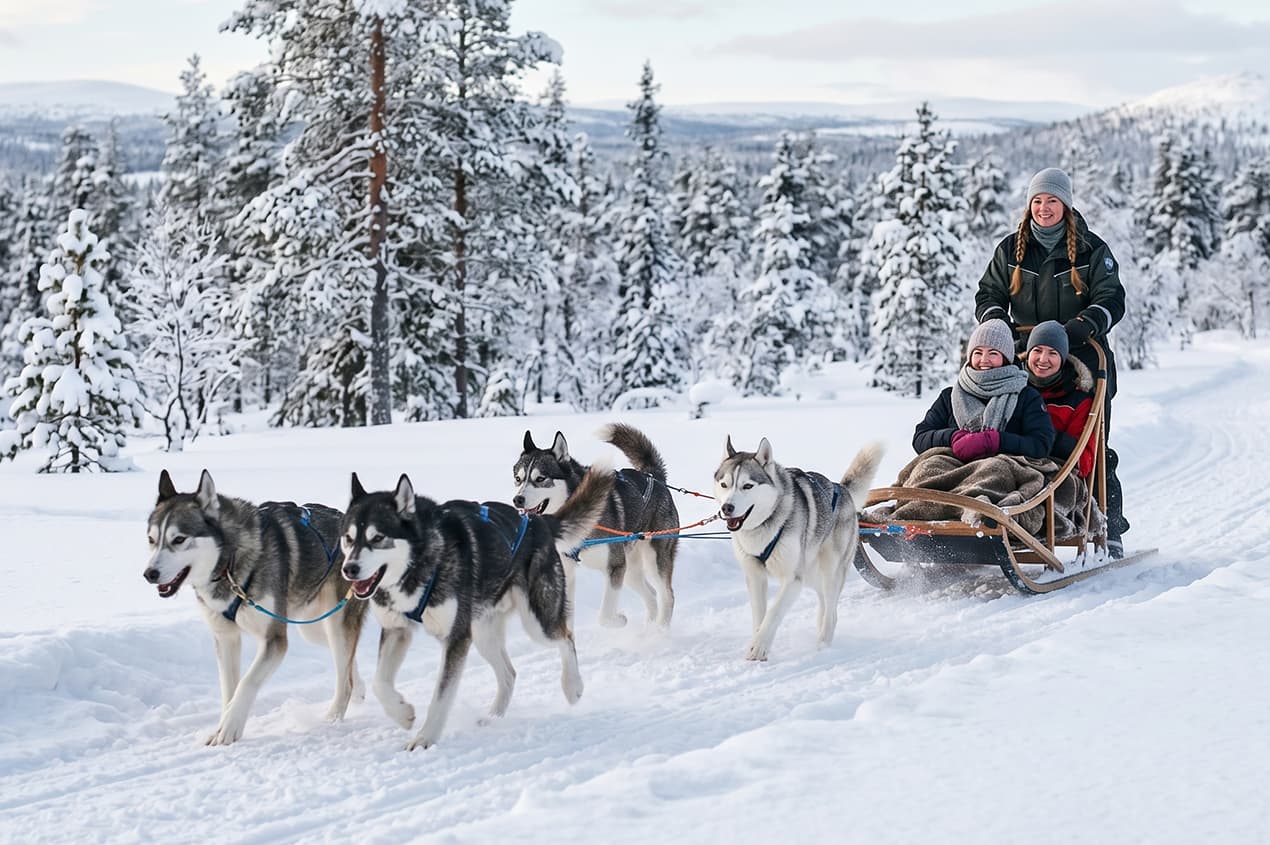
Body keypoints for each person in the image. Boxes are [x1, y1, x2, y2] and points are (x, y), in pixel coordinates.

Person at [974, 167, 1129, 557]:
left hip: (1082, 361)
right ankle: (1013, 511)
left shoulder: (1092, 250)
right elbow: (988, 293)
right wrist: (997, 322)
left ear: (1066, 205)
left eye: (1052, 201)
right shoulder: (1011, 250)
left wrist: (1083, 325)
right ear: (1029, 206)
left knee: (1089, 444)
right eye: (1037, 201)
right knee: (1019, 435)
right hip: (1027, 359)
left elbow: (1112, 299)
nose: (1044, 208)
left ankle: (1107, 524)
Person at [912, 318, 1055, 462]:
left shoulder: (1026, 396)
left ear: (1006, 358)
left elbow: (1041, 444)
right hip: (952, 466)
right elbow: (920, 438)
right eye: (978, 353)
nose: (984, 359)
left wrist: (996, 441)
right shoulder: (948, 396)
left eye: (993, 353)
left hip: (1004, 470)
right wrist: (953, 437)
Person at [1024, 321, 1096, 479]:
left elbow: (1084, 462)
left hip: (1055, 475)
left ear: (1063, 359)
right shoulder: (1014, 388)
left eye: (1052, 353)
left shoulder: (1078, 400)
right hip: (1009, 462)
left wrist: (1044, 436)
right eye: (1037, 350)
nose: (1043, 359)